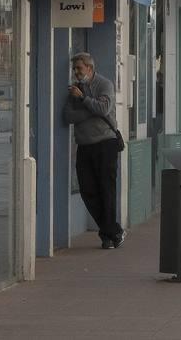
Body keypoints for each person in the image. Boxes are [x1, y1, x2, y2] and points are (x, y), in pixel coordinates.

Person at [63, 53, 124, 249]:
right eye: (74, 69)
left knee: (106, 189)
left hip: (106, 143)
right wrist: (90, 109)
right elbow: (68, 116)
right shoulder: (75, 90)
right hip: (84, 145)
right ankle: (113, 230)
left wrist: (84, 99)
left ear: (89, 67)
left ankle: (108, 236)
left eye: (79, 68)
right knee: (87, 190)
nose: (76, 72)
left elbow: (104, 109)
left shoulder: (104, 84)